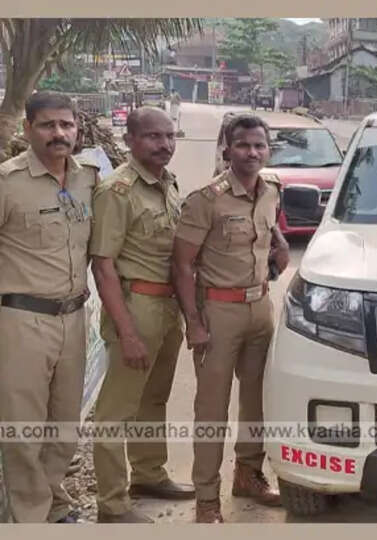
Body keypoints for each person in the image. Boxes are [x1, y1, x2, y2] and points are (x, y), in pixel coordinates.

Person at [172, 113, 290, 523]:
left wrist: (280, 249)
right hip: (217, 312)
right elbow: (182, 264)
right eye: (243, 145)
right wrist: (194, 322)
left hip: (260, 308)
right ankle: (207, 497)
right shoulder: (207, 199)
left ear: (268, 149)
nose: (252, 152)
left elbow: (269, 231)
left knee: (257, 401)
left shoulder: (272, 189)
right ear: (227, 149)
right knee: (212, 408)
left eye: (259, 145)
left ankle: (248, 474)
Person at [88, 106, 195, 523]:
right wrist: (127, 332)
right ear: (130, 140)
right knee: (115, 411)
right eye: (153, 137)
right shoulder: (117, 190)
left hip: (166, 310)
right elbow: (104, 266)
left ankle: (149, 474)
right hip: (135, 307)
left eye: (169, 136)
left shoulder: (167, 184)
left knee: (154, 398)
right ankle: (112, 505)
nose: (164, 144)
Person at [0, 91, 101, 523]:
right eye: (47, 125)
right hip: (21, 320)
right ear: (28, 130)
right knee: (23, 428)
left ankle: (55, 503)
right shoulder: (7, 183)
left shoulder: (90, 179)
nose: (58, 133)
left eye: (66, 125)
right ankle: (29, 517)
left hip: (75, 318)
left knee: (64, 424)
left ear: (78, 129)